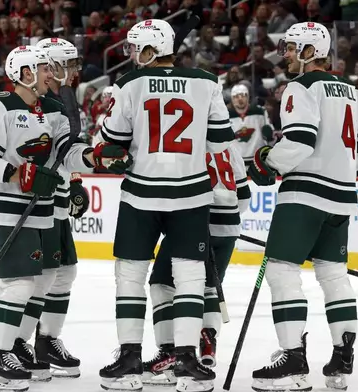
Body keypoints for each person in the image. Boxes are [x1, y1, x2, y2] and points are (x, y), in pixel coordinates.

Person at [96, 18, 234, 392]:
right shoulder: (207, 82)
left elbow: (111, 142)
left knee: (130, 276)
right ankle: (186, 359)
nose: (131, 54)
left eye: (135, 47)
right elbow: (221, 143)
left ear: (150, 48)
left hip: (142, 193)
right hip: (192, 194)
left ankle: (129, 359)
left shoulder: (129, 84)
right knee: (190, 278)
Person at [0, 45, 95, 392]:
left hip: (38, 209)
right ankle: (0, 360)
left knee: (28, 283)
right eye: (43, 68)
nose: (50, 73)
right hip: (4, 203)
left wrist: (96, 159)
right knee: (19, 283)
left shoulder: (53, 109)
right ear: (24, 73)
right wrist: (17, 174)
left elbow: (67, 154)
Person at [247, 22, 358, 392]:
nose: (284, 53)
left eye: (290, 48)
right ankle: (341, 359)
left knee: (282, 271)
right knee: (333, 275)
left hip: (304, 196)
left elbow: (300, 141)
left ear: (307, 51)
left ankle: (292, 360)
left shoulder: (299, 87)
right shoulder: (354, 92)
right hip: (341, 197)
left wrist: (268, 161)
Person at [142, 145, 250, 386]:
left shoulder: (189, 137)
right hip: (229, 226)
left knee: (162, 284)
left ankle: (171, 352)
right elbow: (244, 198)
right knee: (209, 286)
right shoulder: (231, 147)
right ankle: (207, 340)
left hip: (195, 222)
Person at [20, 36, 89, 378]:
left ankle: (46, 340)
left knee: (64, 272)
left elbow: (68, 148)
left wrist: (75, 181)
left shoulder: (64, 98)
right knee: (38, 276)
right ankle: (15, 342)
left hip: (58, 196)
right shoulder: (38, 102)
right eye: (71, 64)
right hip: (39, 201)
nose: (76, 71)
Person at [229, 83, 275, 167]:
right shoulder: (226, 116)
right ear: (232, 99)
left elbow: (271, 137)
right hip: (235, 162)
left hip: (258, 160)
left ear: (248, 97)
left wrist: (269, 135)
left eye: (243, 95)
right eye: (236, 96)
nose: (240, 99)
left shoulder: (260, 112)